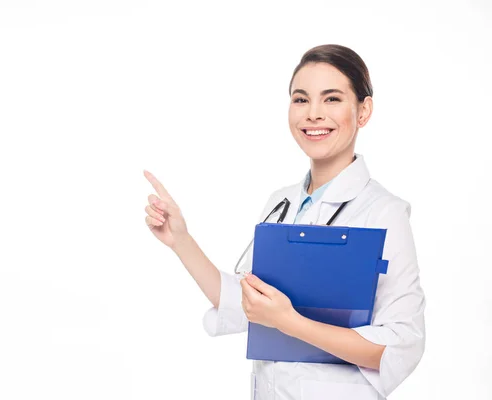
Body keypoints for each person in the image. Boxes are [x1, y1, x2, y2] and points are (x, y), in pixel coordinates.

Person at [143, 44, 425, 400]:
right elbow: (245, 303)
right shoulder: (282, 202)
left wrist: (289, 322)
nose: (313, 114)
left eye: (332, 99)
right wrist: (179, 239)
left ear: (363, 111)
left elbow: (400, 347)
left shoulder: (385, 212)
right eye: (301, 99)